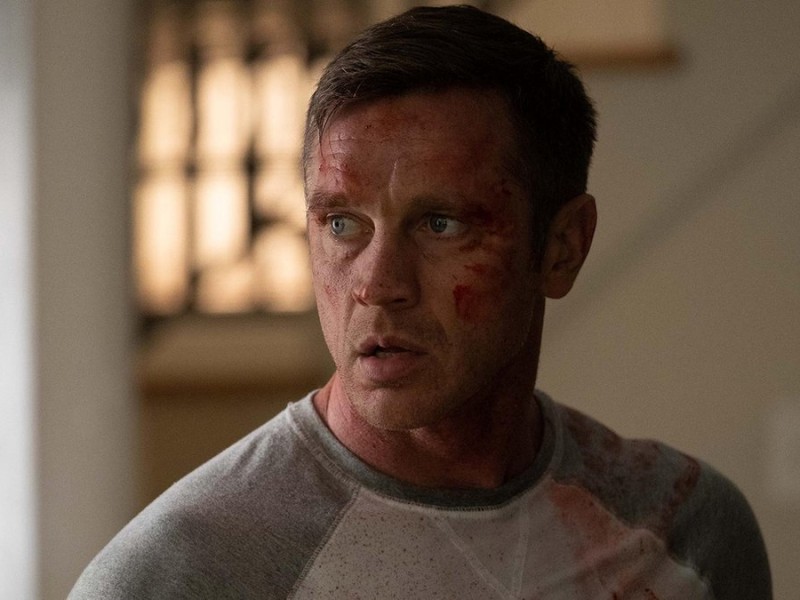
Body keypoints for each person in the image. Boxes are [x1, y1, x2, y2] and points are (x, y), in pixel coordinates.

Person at [70, 5, 771, 599]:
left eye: (440, 224)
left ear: (563, 247)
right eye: (342, 224)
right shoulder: (178, 574)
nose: (377, 285)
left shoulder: (683, 532)